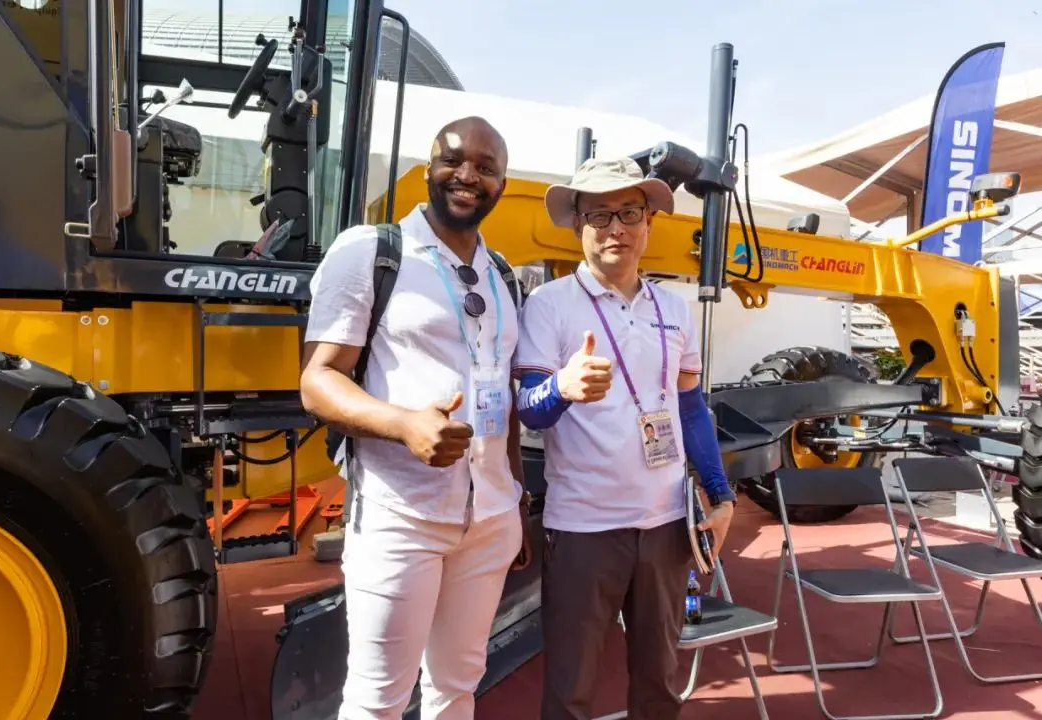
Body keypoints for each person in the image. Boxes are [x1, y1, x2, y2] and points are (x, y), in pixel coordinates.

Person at [300, 115, 532, 720]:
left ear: (502, 186)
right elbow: (317, 381)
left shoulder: (503, 274)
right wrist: (404, 424)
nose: (467, 175)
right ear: (428, 168)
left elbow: (503, 394)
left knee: (457, 687)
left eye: (485, 167)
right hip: (401, 515)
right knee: (377, 698)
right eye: (453, 160)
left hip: (490, 519)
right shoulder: (372, 252)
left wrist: (515, 500)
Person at [514, 156, 737, 720]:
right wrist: (562, 387)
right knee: (571, 690)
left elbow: (690, 407)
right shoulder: (548, 305)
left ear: (648, 222)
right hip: (584, 527)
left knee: (659, 684)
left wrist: (721, 493)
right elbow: (530, 412)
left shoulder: (674, 308)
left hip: (666, 525)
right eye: (599, 215)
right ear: (578, 224)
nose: (616, 228)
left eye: (629, 213)